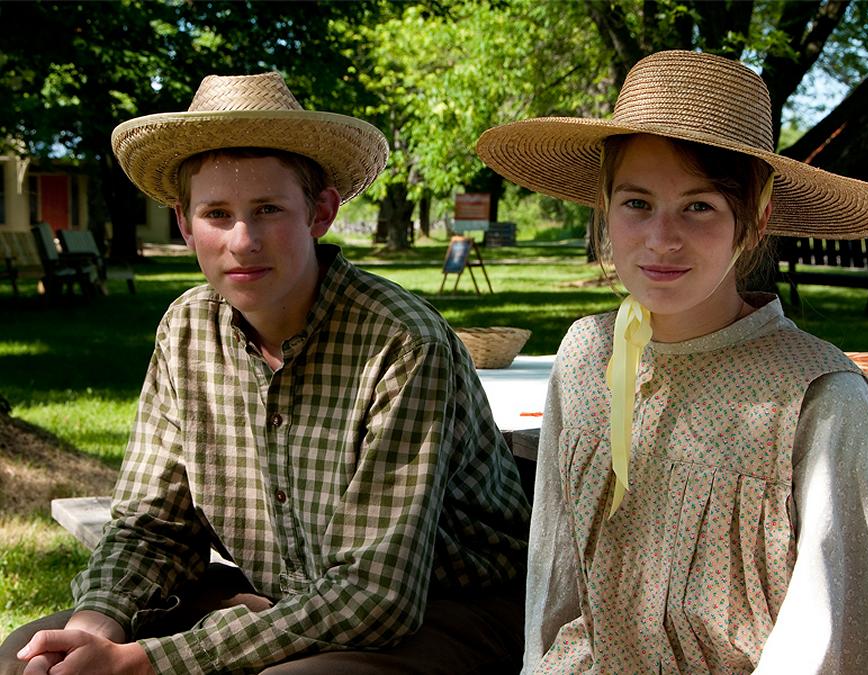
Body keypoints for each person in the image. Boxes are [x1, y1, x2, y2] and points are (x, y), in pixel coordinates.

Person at [1, 72, 531, 675]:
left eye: (268, 210)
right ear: (184, 222)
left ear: (320, 212)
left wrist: (148, 660)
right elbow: (152, 526)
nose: (243, 240)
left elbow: (378, 595)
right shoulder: (186, 330)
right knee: (27, 656)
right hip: (287, 594)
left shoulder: (401, 341)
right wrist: (92, 631)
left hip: (448, 608)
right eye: (217, 213)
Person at [476, 50, 868, 673]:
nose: (661, 239)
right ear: (605, 208)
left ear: (753, 221)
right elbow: (556, 574)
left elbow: (831, 639)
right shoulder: (587, 356)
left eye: (699, 206)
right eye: (637, 203)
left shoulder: (816, 400)